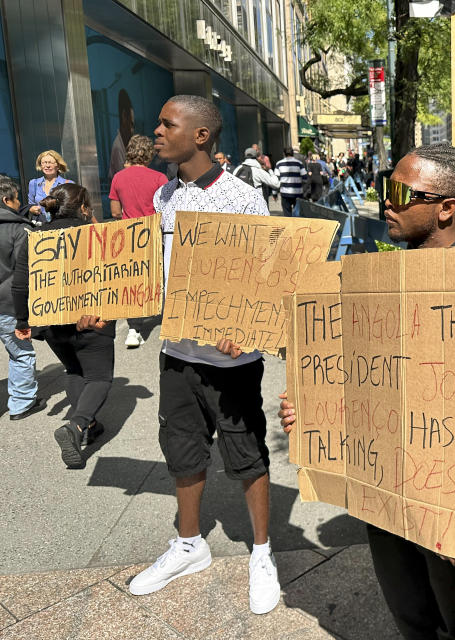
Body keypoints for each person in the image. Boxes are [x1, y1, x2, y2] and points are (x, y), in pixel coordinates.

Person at [278, 142, 455, 640]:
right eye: (385, 189)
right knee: (410, 616)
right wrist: (312, 410)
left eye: (402, 192)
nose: (388, 202)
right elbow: (358, 380)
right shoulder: (377, 282)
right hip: (387, 500)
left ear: (446, 207)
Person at [124, 95, 281, 615]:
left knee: (246, 453)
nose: (157, 130)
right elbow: (154, 275)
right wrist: (112, 306)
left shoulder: (242, 198)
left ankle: (262, 552)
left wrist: (246, 327)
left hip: (231, 364)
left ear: (201, 136)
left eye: (168, 123)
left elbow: (263, 276)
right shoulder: (165, 196)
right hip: (177, 354)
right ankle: (189, 545)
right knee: (182, 449)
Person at [12, 184, 114, 468]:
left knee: (74, 369)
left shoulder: (36, 238)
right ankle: (77, 426)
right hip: (94, 319)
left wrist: (23, 321)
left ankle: (89, 426)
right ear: (83, 208)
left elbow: (20, 285)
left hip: (53, 323)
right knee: (99, 377)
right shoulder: (97, 237)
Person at [109, 134, 168, 349]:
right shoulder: (160, 178)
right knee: (159, 275)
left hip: (129, 235)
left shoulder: (118, 178)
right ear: (150, 154)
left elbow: (115, 212)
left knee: (133, 281)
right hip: (154, 233)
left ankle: (133, 329)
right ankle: (168, 319)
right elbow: (166, 209)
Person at [0, 176, 45, 420]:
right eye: (17, 199)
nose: (20, 203)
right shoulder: (20, 229)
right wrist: (23, 318)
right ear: (7, 200)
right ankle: (21, 404)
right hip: (8, 304)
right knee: (21, 352)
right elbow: (24, 273)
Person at [27, 150, 73, 224]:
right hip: (41, 225)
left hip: (61, 224)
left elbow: (72, 208)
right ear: (41, 166)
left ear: (58, 166)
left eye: (50, 162)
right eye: (44, 163)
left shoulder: (68, 184)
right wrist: (32, 209)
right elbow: (30, 205)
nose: (47, 165)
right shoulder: (33, 183)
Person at [109, 89, 136, 180]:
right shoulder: (118, 147)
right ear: (124, 116)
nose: (132, 131)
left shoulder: (125, 144)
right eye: (131, 125)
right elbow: (123, 179)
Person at [275, 147, 307, 216]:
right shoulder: (299, 163)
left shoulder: (279, 164)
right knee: (298, 214)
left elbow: (276, 180)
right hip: (298, 193)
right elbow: (305, 177)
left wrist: (274, 193)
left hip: (285, 193)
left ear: (284, 154)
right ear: (293, 153)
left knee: (287, 214)